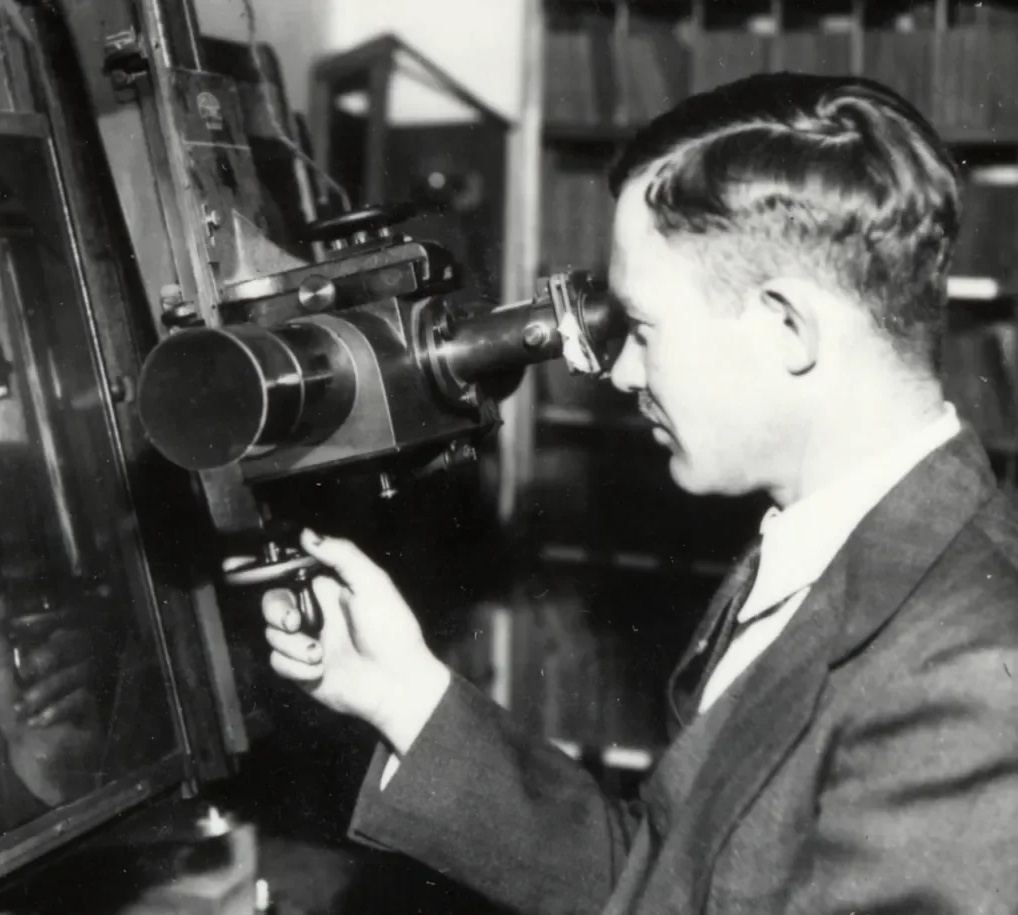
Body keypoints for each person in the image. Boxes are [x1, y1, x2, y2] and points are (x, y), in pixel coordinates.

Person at [254, 72, 1018, 914]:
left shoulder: (972, 677)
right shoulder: (830, 552)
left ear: (786, 327)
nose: (622, 371)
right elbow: (671, 882)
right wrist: (403, 692)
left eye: (644, 329)